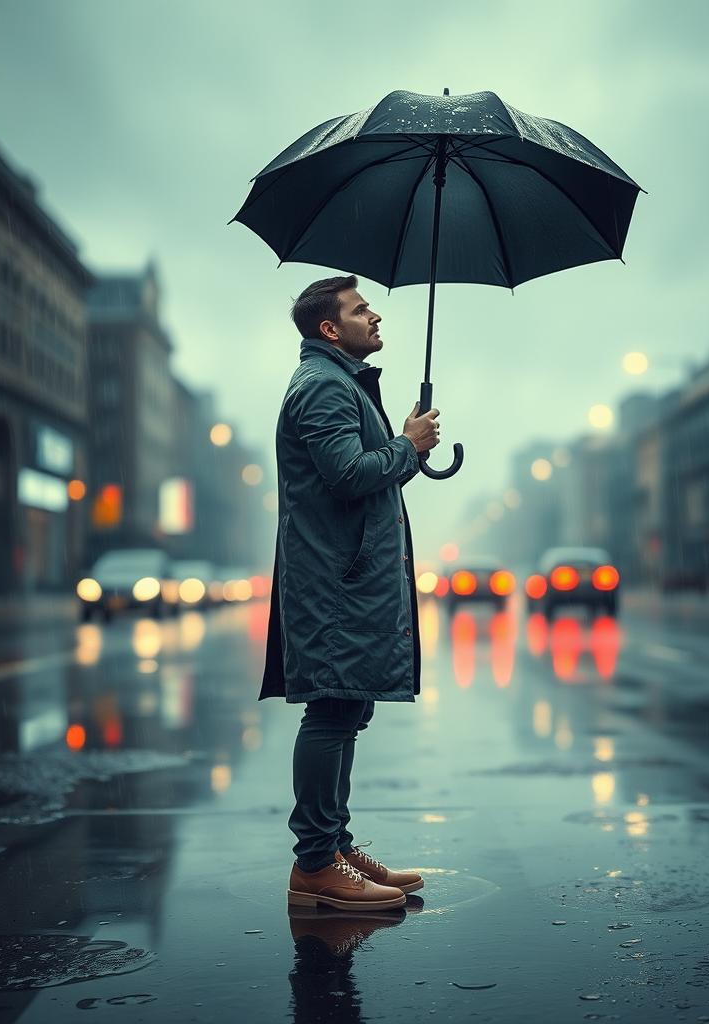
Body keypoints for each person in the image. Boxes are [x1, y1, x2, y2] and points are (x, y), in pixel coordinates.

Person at [259, 275, 440, 911]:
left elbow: (367, 481)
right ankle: (314, 865)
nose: (376, 316)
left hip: (348, 577)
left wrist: (404, 450)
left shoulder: (339, 384)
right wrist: (406, 446)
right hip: (336, 583)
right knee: (332, 710)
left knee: (349, 707)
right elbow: (345, 476)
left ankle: (332, 848)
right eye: (362, 310)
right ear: (330, 329)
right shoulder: (324, 388)